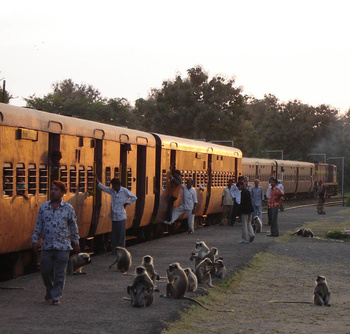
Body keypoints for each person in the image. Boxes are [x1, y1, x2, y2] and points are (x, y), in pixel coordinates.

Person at [31, 181, 80, 306]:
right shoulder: (43, 207)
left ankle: (55, 297)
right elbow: (39, 225)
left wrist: (76, 242)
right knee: (45, 271)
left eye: (56, 190)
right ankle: (50, 290)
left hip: (63, 246)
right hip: (47, 245)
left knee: (60, 273)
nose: (53, 191)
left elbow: (73, 226)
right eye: (52, 189)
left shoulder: (68, 208)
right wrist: (35, 239)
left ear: (63, 193)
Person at [97, 178, 137, 249]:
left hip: (121, 216)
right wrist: (96, 180)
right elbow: (103, 188)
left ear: (118, 185)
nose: (113, 187)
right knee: (114, 235)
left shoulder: (124, 191)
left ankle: (121, 249)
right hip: (114, 216)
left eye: (114, 185)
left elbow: (134, 197)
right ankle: (114, 249)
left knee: (120, 235)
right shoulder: (112, 191)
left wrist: (127, 203)